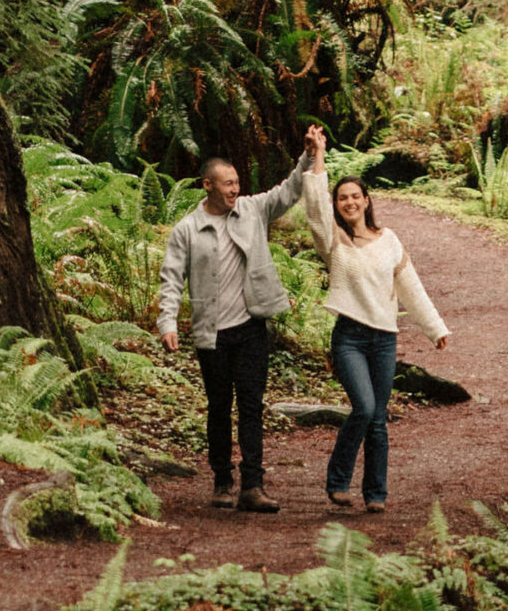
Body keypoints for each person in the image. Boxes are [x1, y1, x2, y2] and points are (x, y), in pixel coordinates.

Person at [156, 136, 313, 512]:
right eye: (228, 183)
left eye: (237, 183)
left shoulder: (252, 210)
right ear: (208, 185)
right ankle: (223, 482)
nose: (235, 189)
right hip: (212, 335)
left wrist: (308, 153)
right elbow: (171, 278)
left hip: (251, 329)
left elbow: (289, 190)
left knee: (251, 406)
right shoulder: (187, 230)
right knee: (218, 407)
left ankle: (252, 486)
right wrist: (167, 322)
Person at [302, 130, 448, 512]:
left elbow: (411, 286)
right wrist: (319, 156)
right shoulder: (333, 240)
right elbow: (315, 206)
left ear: (367, 201)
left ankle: (376, 494)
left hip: (384, 338)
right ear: (338, 204)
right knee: (364, 408)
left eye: (355, 196)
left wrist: (435, 329)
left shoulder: (389, 239)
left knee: (378, 420)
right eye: (342, 198)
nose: (349, 202)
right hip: (349, 337)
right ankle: (337, 481)